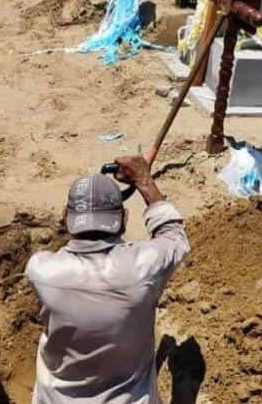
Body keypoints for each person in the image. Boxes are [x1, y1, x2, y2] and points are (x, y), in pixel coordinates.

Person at [25, 155, 190, 403]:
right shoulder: (143, 268)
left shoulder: (41, 271)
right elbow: (174, 236)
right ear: (123, 219)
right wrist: (145, 181)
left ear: (65, 218)